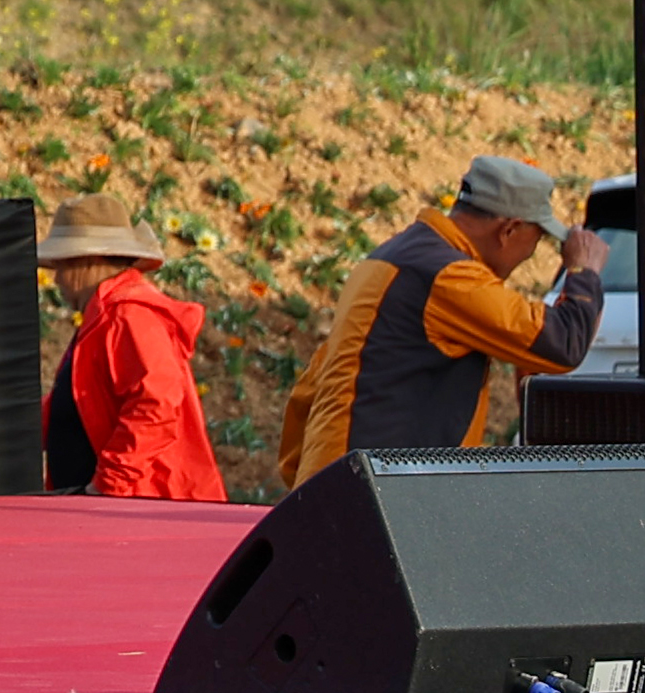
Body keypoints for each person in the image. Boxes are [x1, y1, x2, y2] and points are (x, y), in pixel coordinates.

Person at [281, 152, 611, 484]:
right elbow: (562, 342)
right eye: (536, 241)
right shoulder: (448, 277)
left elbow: (313, 384)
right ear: (509, 230)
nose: (529, 255)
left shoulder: (391, 259)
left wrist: (305, 480)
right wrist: (584, 271)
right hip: (374, 490)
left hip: (343, 480)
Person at [37, 215, 225, 501]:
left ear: (88, 260)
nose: (58, 279)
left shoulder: (129, 316)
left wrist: (109, 484)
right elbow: (75, 404)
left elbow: (156, 404)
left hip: (145, 509)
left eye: (61, 265)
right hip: (122, 509)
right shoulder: (104, 318)